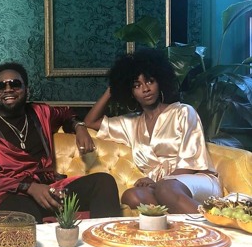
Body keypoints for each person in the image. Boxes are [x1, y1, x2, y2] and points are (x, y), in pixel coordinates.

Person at [0, 62, 122, 223]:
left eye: (15, 84)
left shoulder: (40, 112)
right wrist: (29, 187)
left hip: (48, 190)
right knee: (26, 212)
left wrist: (79, 126)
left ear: (27, 89)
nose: (8, 89)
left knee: (103, 182)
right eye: (0, 86)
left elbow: (66, 113)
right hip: (9, 195)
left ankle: (102, 236)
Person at [84, 48, 222, 214]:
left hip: (196, 181)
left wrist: (157, 183)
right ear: (130, 92)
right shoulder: (131, 124)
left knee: (166, 189)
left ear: (160, 81)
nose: (145, 89)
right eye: (137, 85)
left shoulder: (183, 112)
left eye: (150, 81)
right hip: (161, 188)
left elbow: (190, 163)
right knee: (132, 196)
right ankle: (179, 224)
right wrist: (112, 89)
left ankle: (210, 224)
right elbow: (90, 121)